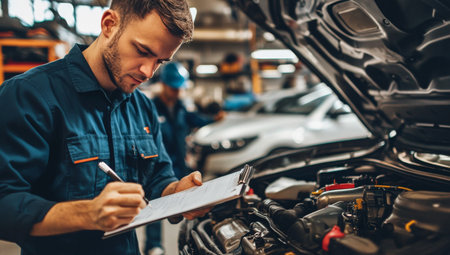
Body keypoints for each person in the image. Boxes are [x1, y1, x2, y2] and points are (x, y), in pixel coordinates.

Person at [0, 0, 208, 254]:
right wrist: (86, 214)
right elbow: (4, 202)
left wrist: (178, 193)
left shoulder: (142, 107)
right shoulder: (29, 96)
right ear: (109, 24)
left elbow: (157, 177)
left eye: (160, 61)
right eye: (142, 50)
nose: (148, 72)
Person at [144, 62, 225, 255]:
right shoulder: (150, 108)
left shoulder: (181, 108)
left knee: (188, 201)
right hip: (158, 165)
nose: (176, 92)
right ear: (163, 84)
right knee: (153, 205)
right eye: (173, 88)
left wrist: (214, 120)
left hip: (179, 163)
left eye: (179, 88)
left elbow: (195, 119)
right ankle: (153, 245)